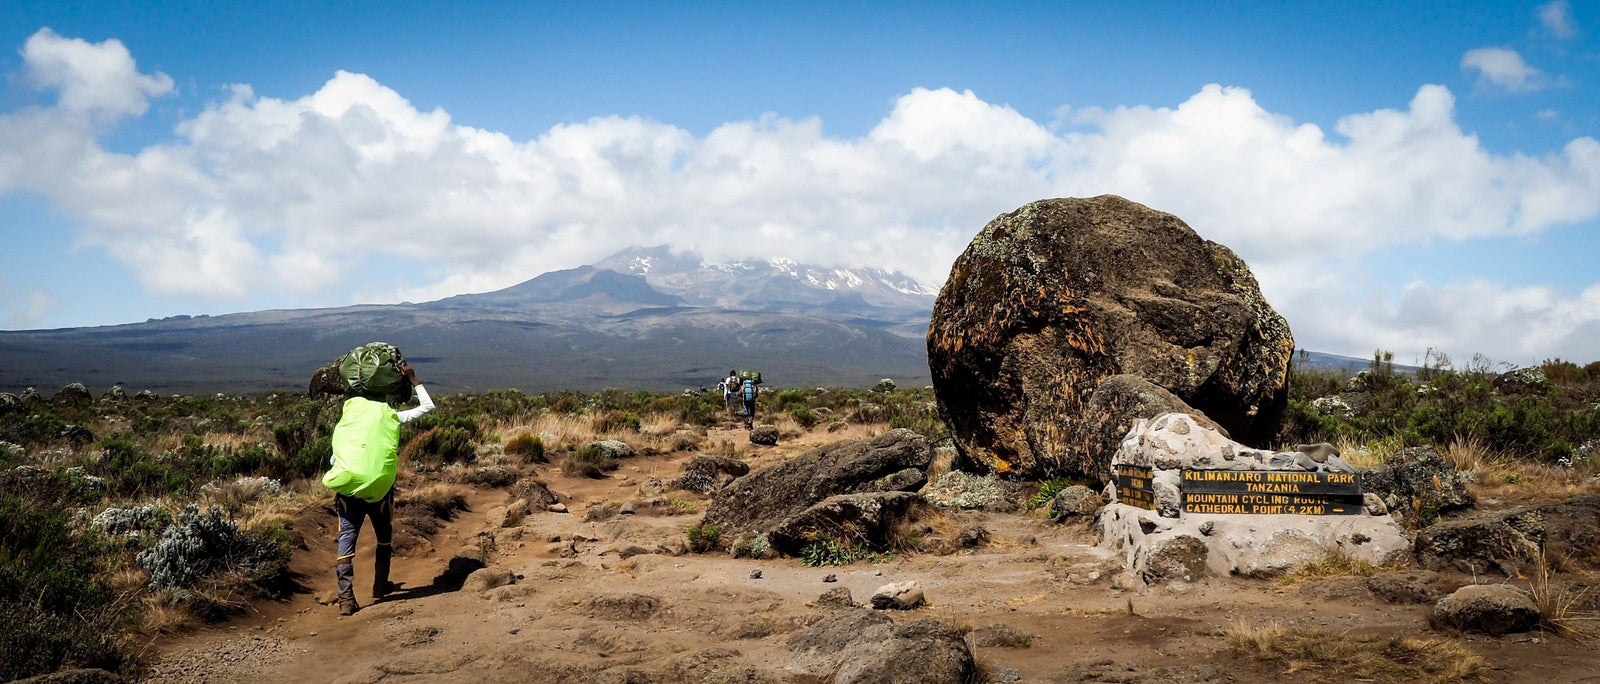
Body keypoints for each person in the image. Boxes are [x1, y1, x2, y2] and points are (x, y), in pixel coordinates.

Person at [324, 364, 433, 616]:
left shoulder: (347, 424)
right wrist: (414, 380)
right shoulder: (391, 416)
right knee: (384, 536)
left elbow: (334, 460)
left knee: (346, 541)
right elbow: (428, 408)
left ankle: (346, 600)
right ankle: (380, 586)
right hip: (380, 493)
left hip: (348, 494)